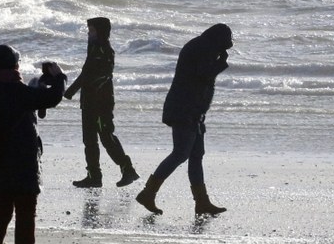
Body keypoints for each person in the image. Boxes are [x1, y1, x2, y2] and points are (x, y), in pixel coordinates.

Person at [0, 45, 66, 244]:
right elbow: (52, 98)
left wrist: (34, 87)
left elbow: (25, 100)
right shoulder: (16, 92)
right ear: (11, 66)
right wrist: (59, 77)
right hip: (22, 165)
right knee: (26, 215)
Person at [135, 24, 232, 216]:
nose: (224, 50)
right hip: (184, 109)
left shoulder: (203, 46)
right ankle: (148, 193)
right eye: (224, 46)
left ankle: (202, 203)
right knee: (181, 153)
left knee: (196, 155)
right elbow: (202, 74)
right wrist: (221, 63)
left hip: (192, 111)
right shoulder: (202, 48)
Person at [64, 17, 139, 188]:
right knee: (89, 140)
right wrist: (71, 92)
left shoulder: (105, 49)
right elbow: (86, 74)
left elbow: (102, 76)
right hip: (89, 101)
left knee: (106, 137)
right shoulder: (93, 48)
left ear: (101, 32)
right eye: (89, 31)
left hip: (101, 102)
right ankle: (94, 176)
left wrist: (72, 91)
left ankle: (128, 170)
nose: (89, 34)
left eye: (92, 31)